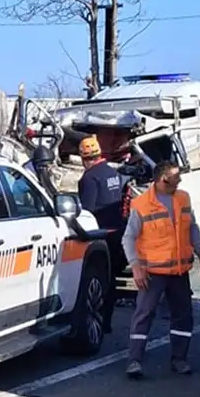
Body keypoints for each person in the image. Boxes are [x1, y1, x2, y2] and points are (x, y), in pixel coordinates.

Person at [122, 161, 200, 379]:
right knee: (144, 315)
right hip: (152, 272)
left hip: (179, 272)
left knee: (183, 316)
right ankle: (135, 361)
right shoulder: (141, 204)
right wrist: (136, 267)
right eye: (175, 176)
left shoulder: (183, 198)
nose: (179, 180)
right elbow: (128, 238)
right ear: (163, 179)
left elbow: (192, 227)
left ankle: (179, 359)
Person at [75, 135, 130, 334]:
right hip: (117, 232)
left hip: (100, 235)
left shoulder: (89, 178)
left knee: (98, 280)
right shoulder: (111, 173)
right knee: (112, 279)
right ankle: (106, 322)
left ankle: (98, 322)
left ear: (83, 158)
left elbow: (87, 210)